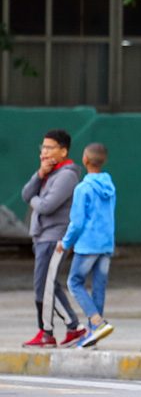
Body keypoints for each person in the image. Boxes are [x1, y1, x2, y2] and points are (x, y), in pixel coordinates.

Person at [21, 129, 84, 347]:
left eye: (49, 148)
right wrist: (39, 175)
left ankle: (58, 329)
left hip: (54, 237)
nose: (43, 153)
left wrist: (35, 200)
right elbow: (25, 193)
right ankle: (59, 330)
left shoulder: (67, 175)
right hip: (42, 237)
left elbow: (46, 206)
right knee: (47, 286)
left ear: (63, 151)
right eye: (42, 148)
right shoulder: (49, 173)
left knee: (44, 287)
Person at [58, 143, 116, 348]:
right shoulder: (110, 185)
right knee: (99, 286)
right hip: (106, 244)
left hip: (88, 244)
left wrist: (65, 242)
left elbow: (78, 221)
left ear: (85, 160)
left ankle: (96, 321)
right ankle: (94, 333)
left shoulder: (82, 188)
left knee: (74, 282)